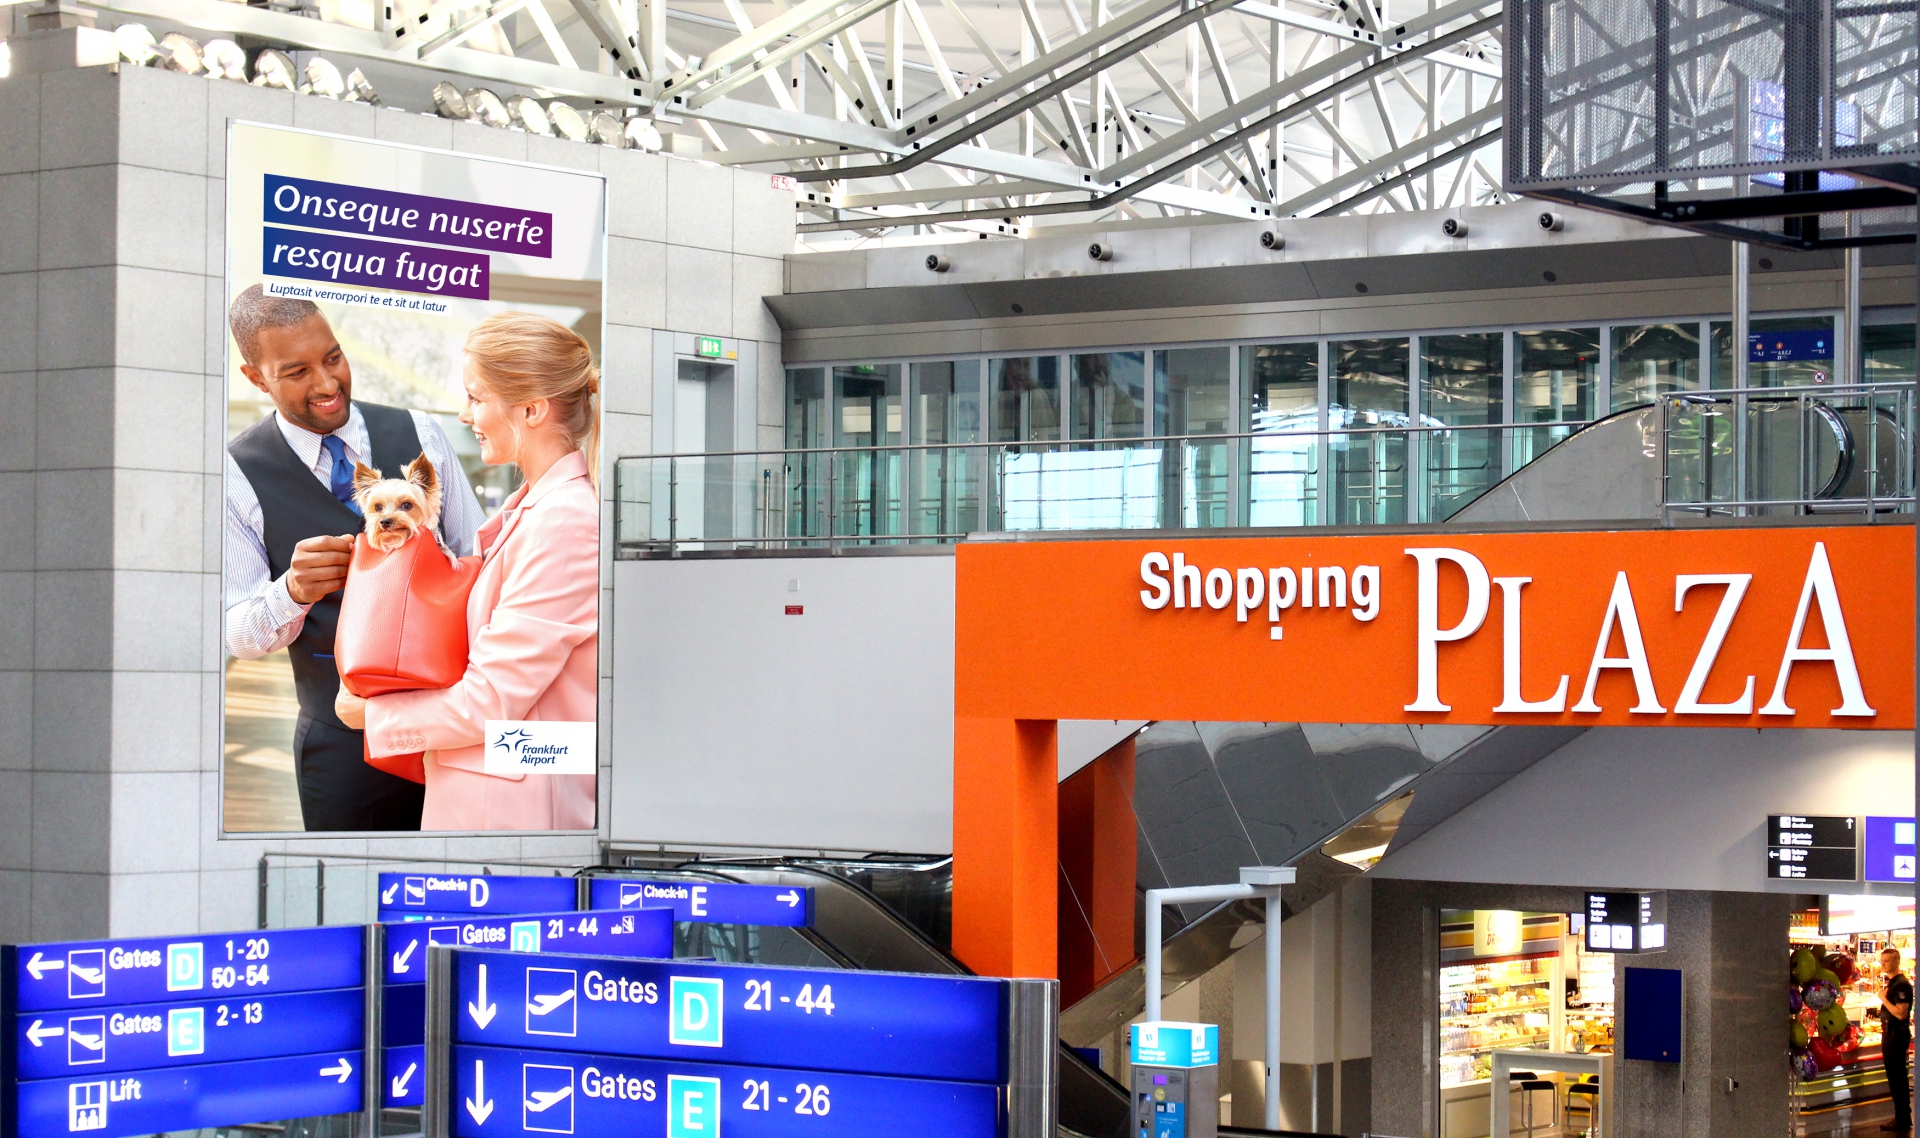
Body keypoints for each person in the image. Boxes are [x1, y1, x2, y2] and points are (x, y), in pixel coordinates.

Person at [224, 285, 484, 832]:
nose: (325, 384)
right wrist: (289, 592)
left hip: (449, 721)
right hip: (340, 741)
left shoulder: (422, 434)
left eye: (334, 358)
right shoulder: (236, 473)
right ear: (255, 377)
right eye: (296, 372)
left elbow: (477, 559)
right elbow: (238, 636)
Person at [335, 312, 599, 831]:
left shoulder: (564, 519)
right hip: (493, 794)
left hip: (508, 814)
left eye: (476, 397)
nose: (463, 414)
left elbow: (491, 699)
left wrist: (372, 716)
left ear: (531, 409)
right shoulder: (536, 510)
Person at [1882, 946, 1913, 1132]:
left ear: (1896, 961)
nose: (1883, 964)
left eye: (1886, 961)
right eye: (1882, 960)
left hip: (1896, 1034)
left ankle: (1902, 1118)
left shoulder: (1901, 985)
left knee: (1897, 1078)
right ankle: (1900, 1117)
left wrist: (1883, 999)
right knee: (1894, 1078)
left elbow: (1901, 1014)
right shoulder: (1893, 983)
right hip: (1890, 1034)